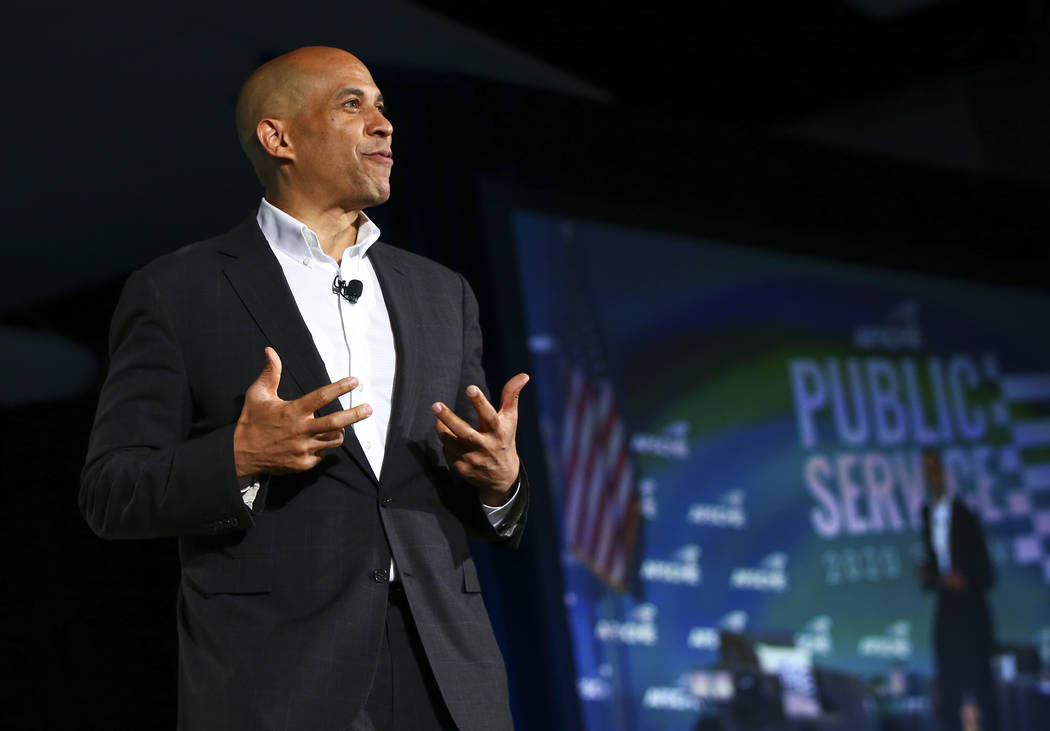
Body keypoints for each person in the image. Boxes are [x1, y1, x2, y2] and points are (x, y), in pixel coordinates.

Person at [80, 46, 529, 731]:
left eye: (383, 106)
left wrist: (500, 485)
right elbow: (111, 491)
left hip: (447, 673)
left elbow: (461, 490)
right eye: (353, 104)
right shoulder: (179, 290)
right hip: (277, 678)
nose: (384, 124)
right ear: (278, 136)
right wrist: (238, 456)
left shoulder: (442, 294)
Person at [918, 449, 999, 731]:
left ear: (944, 472)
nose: (931, 476)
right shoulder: (927, 515)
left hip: (972, 616)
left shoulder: (965, 515)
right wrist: (932, 576)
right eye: (926, 470)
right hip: (948, 614)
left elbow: (987, 574)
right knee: (949, 690)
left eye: (935, 469)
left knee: (982, 688)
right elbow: (933, 572)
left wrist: (962, 579)